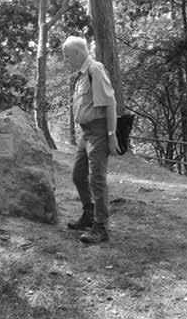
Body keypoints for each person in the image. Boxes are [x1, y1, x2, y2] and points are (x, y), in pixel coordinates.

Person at [62, 36, 119, 243]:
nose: (67, 61)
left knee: (97, 179)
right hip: (85, 133)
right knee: (78, 176)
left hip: (98, 132)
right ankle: (89, 214)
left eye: (68, 56)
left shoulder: (95, 70)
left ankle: (101, 227)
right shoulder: (81, 75)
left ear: (78, 53)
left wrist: (111, 136)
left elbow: (110, 104)